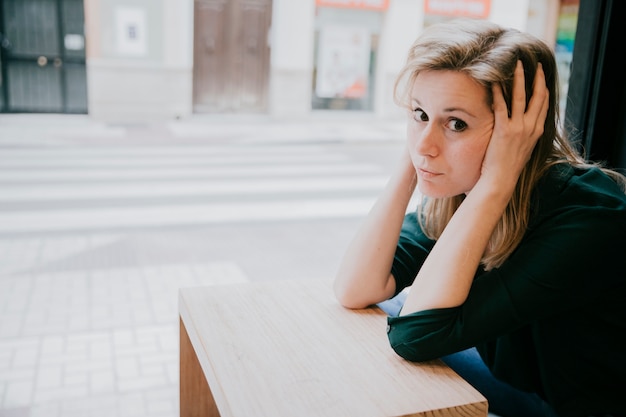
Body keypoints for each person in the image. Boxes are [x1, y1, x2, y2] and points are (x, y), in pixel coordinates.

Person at [333, 18, 626, 417]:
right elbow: (355, 287)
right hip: (519, 384)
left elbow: (416, 336)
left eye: (457, 124)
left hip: (575, 406)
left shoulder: (589, 216)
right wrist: (413, 161)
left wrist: (496, 182)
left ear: (520, 131)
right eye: (418, 114)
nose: (427, 145)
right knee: (379, 324)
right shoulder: (458, 188)